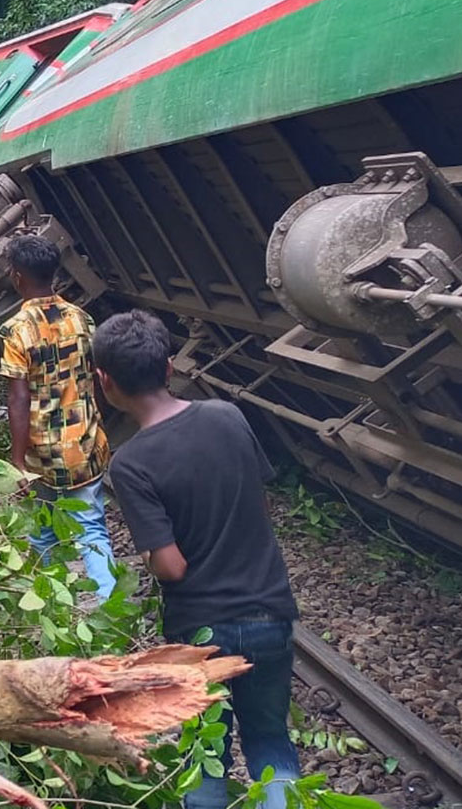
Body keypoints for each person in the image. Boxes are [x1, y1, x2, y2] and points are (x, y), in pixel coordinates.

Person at [93, 309, 300, 809]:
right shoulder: (226, 415)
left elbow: (171, 567)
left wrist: (146, 555)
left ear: (104, 382)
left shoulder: (132, 464)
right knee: (270, 738)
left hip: (201, 634)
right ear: (168, 367)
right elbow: (256, 499)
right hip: (269, 613)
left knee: (205, 751)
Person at [0, 234, 116, 600]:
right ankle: (112, 608)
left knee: (42, 528)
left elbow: (18, 398)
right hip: (85, 447)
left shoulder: (16, 330)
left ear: (17, 276)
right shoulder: (82, 319)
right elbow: (95, 379)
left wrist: (17, 460)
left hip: (42, 454)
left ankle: (48, 603)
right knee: (91, 529)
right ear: (54, 274)